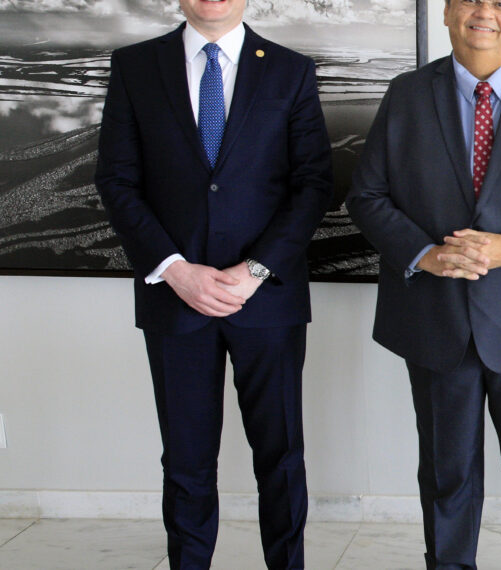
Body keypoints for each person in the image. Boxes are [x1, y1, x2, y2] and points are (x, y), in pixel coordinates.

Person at [345, 0, 501, 567]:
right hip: (436, 321)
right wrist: (426, 254)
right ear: (446, 13)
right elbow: (365, 195)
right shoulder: (406, 95)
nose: (484, 12)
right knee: (447, 478)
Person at [93, 0, 333, 567]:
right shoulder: (134, 67)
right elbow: (117, 180)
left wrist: (254, 271)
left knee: (280, 456)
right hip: (175, 300)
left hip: (267, 299)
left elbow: (313, 184)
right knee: (186, 460)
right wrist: (174, 269)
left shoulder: (289, 69)